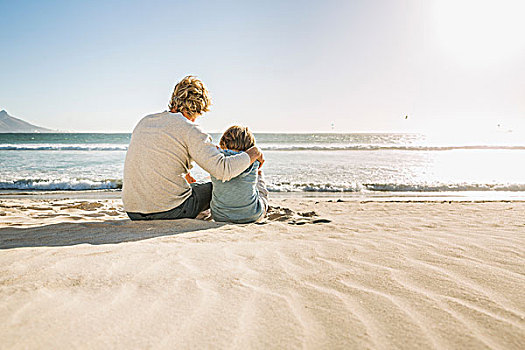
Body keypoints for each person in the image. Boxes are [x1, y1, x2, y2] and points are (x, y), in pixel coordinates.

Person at [123, 76, 264, 220]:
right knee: (215, 187)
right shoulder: (190, 129)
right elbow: (223, 171)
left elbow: (160, 161)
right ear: (199, 107)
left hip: (133, 211)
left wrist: (190, 179)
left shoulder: (145, 121)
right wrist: (253, 152)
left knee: (195, 186)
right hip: (169, 211)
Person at [210, 126, 269, 223]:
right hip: (251, 215)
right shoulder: (253, 161)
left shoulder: (217, 160)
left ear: (224, 141)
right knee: (260, 185)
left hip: (220, 216)